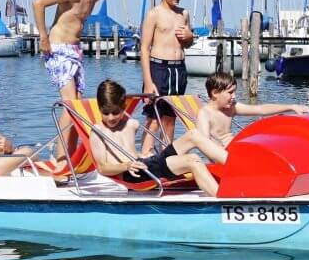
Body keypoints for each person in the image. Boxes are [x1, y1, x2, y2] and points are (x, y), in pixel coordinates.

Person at [85, 80, 219, 196]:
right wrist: (127, 165)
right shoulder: (98, 131)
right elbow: (102, 168)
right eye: (105, 113)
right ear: (99, 109)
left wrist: (141, 154)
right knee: (192, 159)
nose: (110, 117)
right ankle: (222, 199)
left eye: (115, 112)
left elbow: (129, 146)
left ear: (123, 108)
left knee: (193, 134)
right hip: (134, 174)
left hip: (146, 164)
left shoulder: (130, 124)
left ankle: (233, 165)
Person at [33, 0, 124, 105]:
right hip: (59, 48)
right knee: (71, 103)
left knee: (79, 103)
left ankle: (72, 130)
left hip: (75, 49)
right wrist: (43, 38)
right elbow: (38, 3)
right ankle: (61, 130)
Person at [186, 72, 307, 164]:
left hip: (237, 150)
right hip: (225, 159)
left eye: (234, 92)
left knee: (275, 128)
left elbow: (260, 109)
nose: (234, 96)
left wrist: (291, 106)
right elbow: (204, 144)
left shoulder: (230, 108)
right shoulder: (205, 114)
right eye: (230, 92)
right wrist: (227, 157)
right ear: (215, 93)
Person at [138, 0, 197, 96]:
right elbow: (144, 48)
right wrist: (148, 82)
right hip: (159, 69)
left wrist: (190, 37)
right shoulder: (154, 14)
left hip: (180, 69)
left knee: (172, 113)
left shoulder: (184, 14)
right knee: (156, 113)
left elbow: (187, 44)